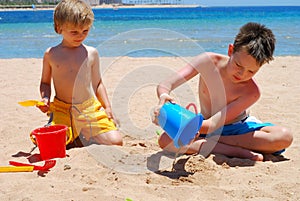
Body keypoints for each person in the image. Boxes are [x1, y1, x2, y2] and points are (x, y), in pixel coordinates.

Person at [153, 22, 293, 161]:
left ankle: (215, 145)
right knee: (165, 141)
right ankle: (232, 150)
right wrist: (164, 97)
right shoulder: (207, 61)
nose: (242, 74)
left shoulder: (252, 92)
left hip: (237, 130)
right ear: (231, 50)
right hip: (204, 124)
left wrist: (186, 126)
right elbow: (166, 84)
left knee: (284, 136)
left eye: (251, 71)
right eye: (238, 65)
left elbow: (214, 124)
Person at [37, 0, 123, 148]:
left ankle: (84, 132)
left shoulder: (91, 53)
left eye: (85, 31)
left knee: (116, 141)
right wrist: (45, 98)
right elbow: (45, 82)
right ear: (59, 28)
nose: (80, 36)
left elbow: (98, 84)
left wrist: (107, 107)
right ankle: (78, 133)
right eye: (74, 32)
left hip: (88, 108)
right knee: (52, 145)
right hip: (62, 109)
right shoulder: (51, 54)